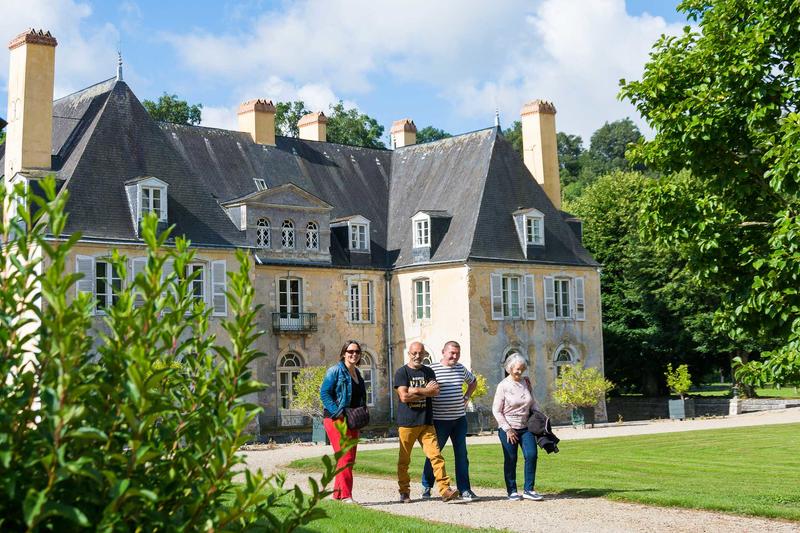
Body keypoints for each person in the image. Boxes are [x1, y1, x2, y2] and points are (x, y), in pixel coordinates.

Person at [394, 341, 460, 503]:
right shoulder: (402, 372)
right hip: (407, 423)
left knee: (436, 456)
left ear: (424, 354)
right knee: (404, 461)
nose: (418, 356)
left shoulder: (428, 371)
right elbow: (404, 397)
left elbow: (435, 391)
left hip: (426, 422)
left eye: (420, 353)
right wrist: (425, 391)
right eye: (414, 353)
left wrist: (415, 390)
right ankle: (404, 491)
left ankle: (445, 490)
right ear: (409, 354)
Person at [420, 340, 479, 501]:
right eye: (452, 353)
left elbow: (473, 382)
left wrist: (466, 397)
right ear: (443, 352)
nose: (455, 356)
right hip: (439, 420)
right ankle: (426, 486)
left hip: (459, 419)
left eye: (457, 353)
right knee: (434, 454)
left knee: (462, 455)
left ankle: (465, 489)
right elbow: (424, 390)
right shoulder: (432, 369)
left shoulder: (460, 368)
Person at [319, 340, 367, 503]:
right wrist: (337, 412)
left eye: (357, 352)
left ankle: (338, 495)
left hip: (352, 419)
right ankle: (346, 495)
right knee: (345, 457)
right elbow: (324, 393)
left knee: (348, 459)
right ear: (343, 353)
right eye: (350, 351)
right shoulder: (335, 370)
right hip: (335, 419)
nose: (354, 354)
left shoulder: (357, 373)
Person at [491, 353, 544, 501]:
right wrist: (507, 429)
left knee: (531, 455)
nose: (520, 372)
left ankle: (529, 490)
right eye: (517, 369)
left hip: (526, 427)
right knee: (511, 459)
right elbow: (496, 410)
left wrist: (541, 416)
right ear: (509, 368)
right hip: (508, 428)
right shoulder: (503, 386)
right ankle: (512, 491)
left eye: (522, 369)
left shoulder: (526, 382)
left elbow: (532, 402)